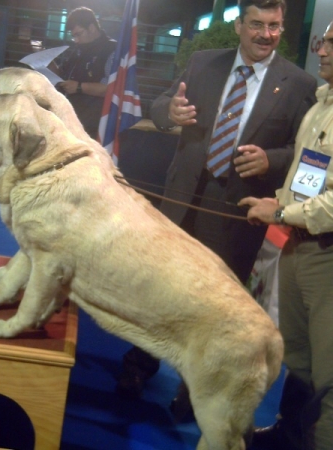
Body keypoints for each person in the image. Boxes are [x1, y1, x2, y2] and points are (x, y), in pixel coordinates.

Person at [118, 0, 317, 416]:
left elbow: (301, 150)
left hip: (235, 212)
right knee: (158, 287)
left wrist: (272, 160)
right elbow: (160, 104)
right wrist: (168, 113)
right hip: (181, 199)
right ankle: (139, 364)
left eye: (275, 26)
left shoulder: (298, 84)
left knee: (216, 305)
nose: (267, 34)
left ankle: (194, 391)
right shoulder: (204, 62)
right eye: (258, 25)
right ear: (239, 26)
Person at [239, 20, 333, 450]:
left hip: (327, 254)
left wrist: (279, 210)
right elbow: (307, 179)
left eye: (331, 43)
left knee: (330, 373)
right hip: (298, 245)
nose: (322, 50)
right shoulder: (320, 107)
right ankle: (290, 433)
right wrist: (279, 205)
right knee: (298, 355)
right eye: (323, 40)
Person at [54, 7, 116, 138]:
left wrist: (78, 87)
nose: (76, 40)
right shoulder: (78, 49)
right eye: (73, 36)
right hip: (69, 120)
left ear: (92, 28)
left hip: (94, 125)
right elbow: (63, 76)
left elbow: (110, 88)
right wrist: (48, 65)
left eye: (78, 34)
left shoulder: (112, 50)